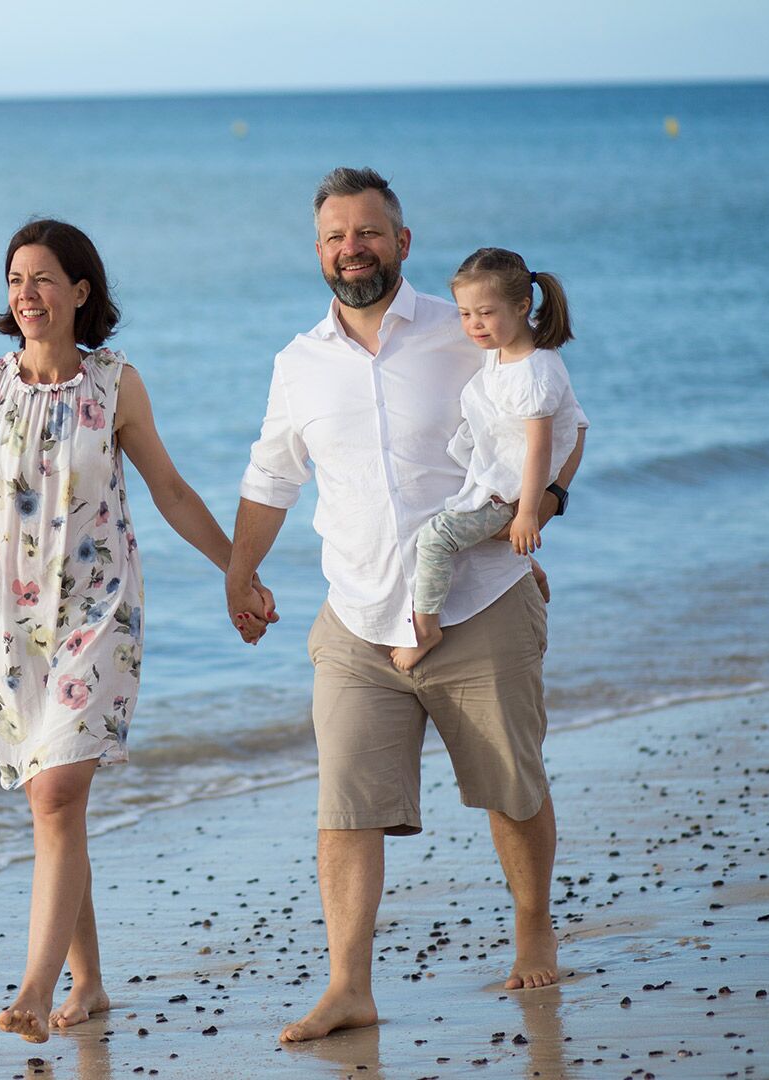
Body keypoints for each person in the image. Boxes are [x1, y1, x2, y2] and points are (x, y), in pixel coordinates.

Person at [0, 219, 269, 1044]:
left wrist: (237, 570)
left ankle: (36, 990)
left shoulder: (117, 386)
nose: (26, 295)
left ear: (81, 291)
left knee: (54, 793)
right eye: (15, 280)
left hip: (97, 611)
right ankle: (93, 983)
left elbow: (172, 491)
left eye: (42, 279)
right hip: (5, 624)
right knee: (57, 804)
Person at [224, 168, 587, 1043]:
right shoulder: (298, 363)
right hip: (355, 615)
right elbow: (273, 476)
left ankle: (532, 923)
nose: (354, 248)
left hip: (482, 604)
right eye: (336, 237)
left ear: (402, 242)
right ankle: (349, 984)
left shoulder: (466, 328)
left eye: (369, 232)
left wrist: (539, 511)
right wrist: (240, 574)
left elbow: (564, 421)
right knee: (346, 805)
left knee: (512, 786)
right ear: (318, 254)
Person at [391, 248, 589, 672]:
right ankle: (526, 569)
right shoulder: (504, 349)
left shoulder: (533, 375)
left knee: (436, 539)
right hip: (494, 479)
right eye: (464, 314)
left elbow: (540, 447)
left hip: (509, 494)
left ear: (522, 306)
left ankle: (425, 629)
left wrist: (529, 513)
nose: (473, 325)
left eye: (485, 313)